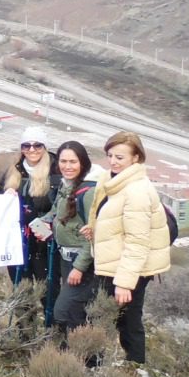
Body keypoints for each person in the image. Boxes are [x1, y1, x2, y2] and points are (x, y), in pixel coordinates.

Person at [84, 131, 172, 364]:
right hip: (113, 264)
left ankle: (132, 372)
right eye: (110, 155)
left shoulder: (137, 191)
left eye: (120, 157)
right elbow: (117, 225)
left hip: (124, 270)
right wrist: (94, 230)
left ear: (136, 158)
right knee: (111, 319)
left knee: (124, 322)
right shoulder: (114, 182)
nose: (113, 161)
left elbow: (138, 241)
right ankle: (108, 369)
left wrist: (124, 283)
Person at [41, 141, 100, 339]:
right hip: (66, 258)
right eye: (63, 161)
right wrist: (44, 222)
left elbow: (93, 235)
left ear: (83, 163)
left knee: (63, 311)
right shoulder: (65, 185)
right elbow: (57, 210)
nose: (67, 166)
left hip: (81, 261)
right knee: (75, 312)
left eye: (73, 162)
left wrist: (79, 267)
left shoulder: (89, 192)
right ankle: (77, 353)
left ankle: (86, 356)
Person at [3, 126, 62, 287]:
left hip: (45, 237)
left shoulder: (56, 170)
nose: (31, 150)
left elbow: (61, 203)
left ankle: (49, 312)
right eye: (26, 146)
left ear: (45, 147)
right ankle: (24, 312)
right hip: (18, 238)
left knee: (48, 287)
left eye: (37, 145)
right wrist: (6, 194)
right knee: (21, 285)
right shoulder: (14, 170)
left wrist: (46, 225)